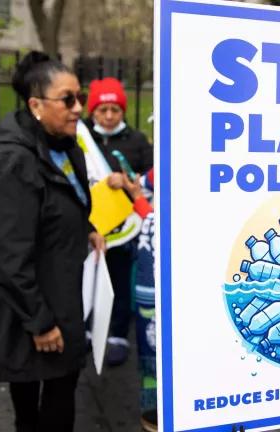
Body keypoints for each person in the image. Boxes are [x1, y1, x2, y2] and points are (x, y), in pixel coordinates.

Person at [0, 51, 105, 432]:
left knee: (57, 386)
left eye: (81, 97)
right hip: (32, 306)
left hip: (59, 291)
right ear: (36, 105)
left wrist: (86, 227)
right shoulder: (11, 161)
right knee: (37, 391)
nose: (79, 108)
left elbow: (62, 201)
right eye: (68, 99)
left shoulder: (63, 143)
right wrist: (41, 323)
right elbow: (8, 254)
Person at [84, 77, 153, 366]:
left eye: (115, 109)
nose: (109, 116)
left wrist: (125, 182)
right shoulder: (83, 138)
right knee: (88, 277)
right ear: (93, 112)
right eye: (103, 110)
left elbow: (148, 179)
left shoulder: (136, 141)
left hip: (124, 228)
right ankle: (88, 329)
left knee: (121, 280)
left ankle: (118, 334)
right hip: (89, 224)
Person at [121, 170, 157, 432]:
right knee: (151, 350)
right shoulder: (167, 161)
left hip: (164, 285)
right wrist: (130, 185)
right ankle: (156, 410)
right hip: (151, 287)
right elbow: (144, 182)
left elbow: (160, 227)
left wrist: (137, 198)